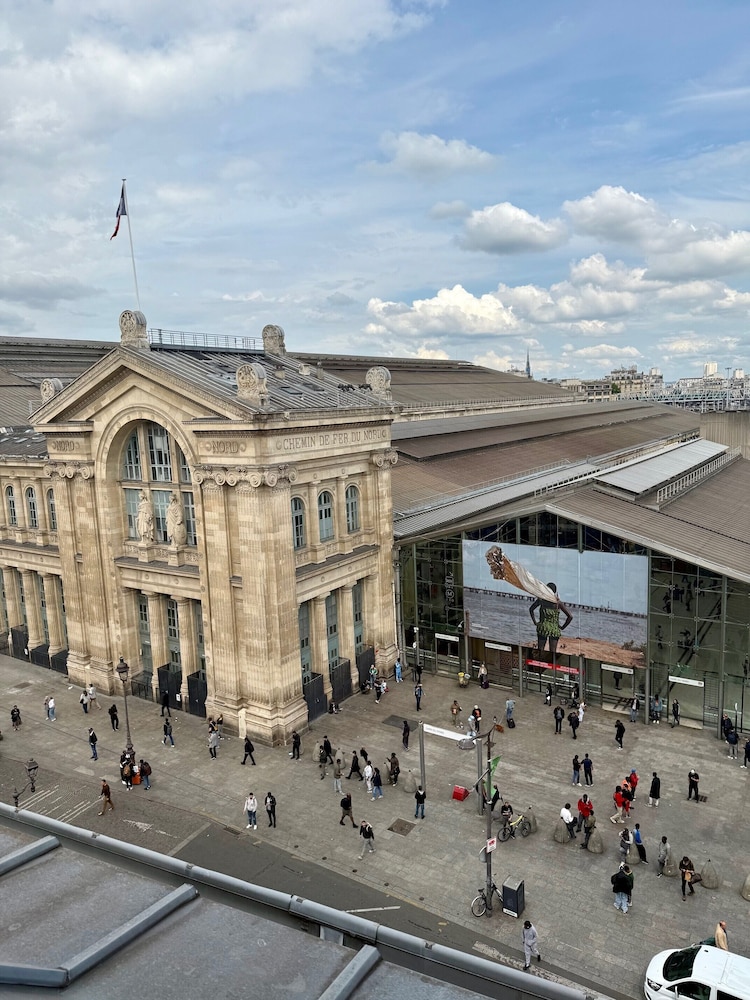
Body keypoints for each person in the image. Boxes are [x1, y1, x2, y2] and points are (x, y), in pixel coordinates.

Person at [528, 582, 573, 658]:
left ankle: (539, 666)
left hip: (543, 627)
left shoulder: (541, 600)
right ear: (555, 591)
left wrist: (535, 622)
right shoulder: (558, 603)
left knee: (540, 650)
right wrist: (562, 627)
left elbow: (531, 609)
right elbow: (570, 616)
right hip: (554, 629)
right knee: (553, 652)